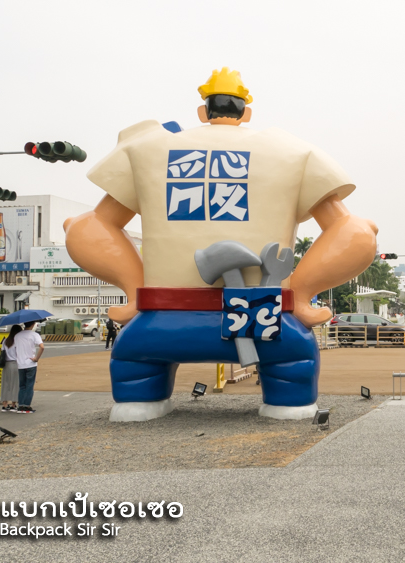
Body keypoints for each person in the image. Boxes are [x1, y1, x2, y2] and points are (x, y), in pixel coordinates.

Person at [63, 67, 377, 421]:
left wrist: (135, 291)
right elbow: (356, 234)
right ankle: (287, 405)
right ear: (246, 113)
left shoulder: (146, 147)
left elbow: (87, 227)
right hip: (268, 320)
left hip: (157, 324)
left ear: (203, 112)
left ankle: (139, 404)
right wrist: (302, 294)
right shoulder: (293, 151)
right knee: (292, 377)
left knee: (134, 374)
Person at [13, 321, 45, 414]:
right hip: (31, 363)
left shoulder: (17, 335)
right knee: (29, 386)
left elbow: (15, 348)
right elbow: (42, 347)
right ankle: (27, 406)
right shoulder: (34, 335)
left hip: (20, 364)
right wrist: (36, 358)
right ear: (33, 324)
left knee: (22, 386)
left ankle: (21, 406)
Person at [0, 324, 23, 412]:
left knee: (6, 384)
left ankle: (5, 405)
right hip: (15, 364)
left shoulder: (5, 341)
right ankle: (13, 404)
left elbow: (2, 352)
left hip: (6, 365)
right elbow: (20, 354)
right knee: (15, 385)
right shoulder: (18, 341)